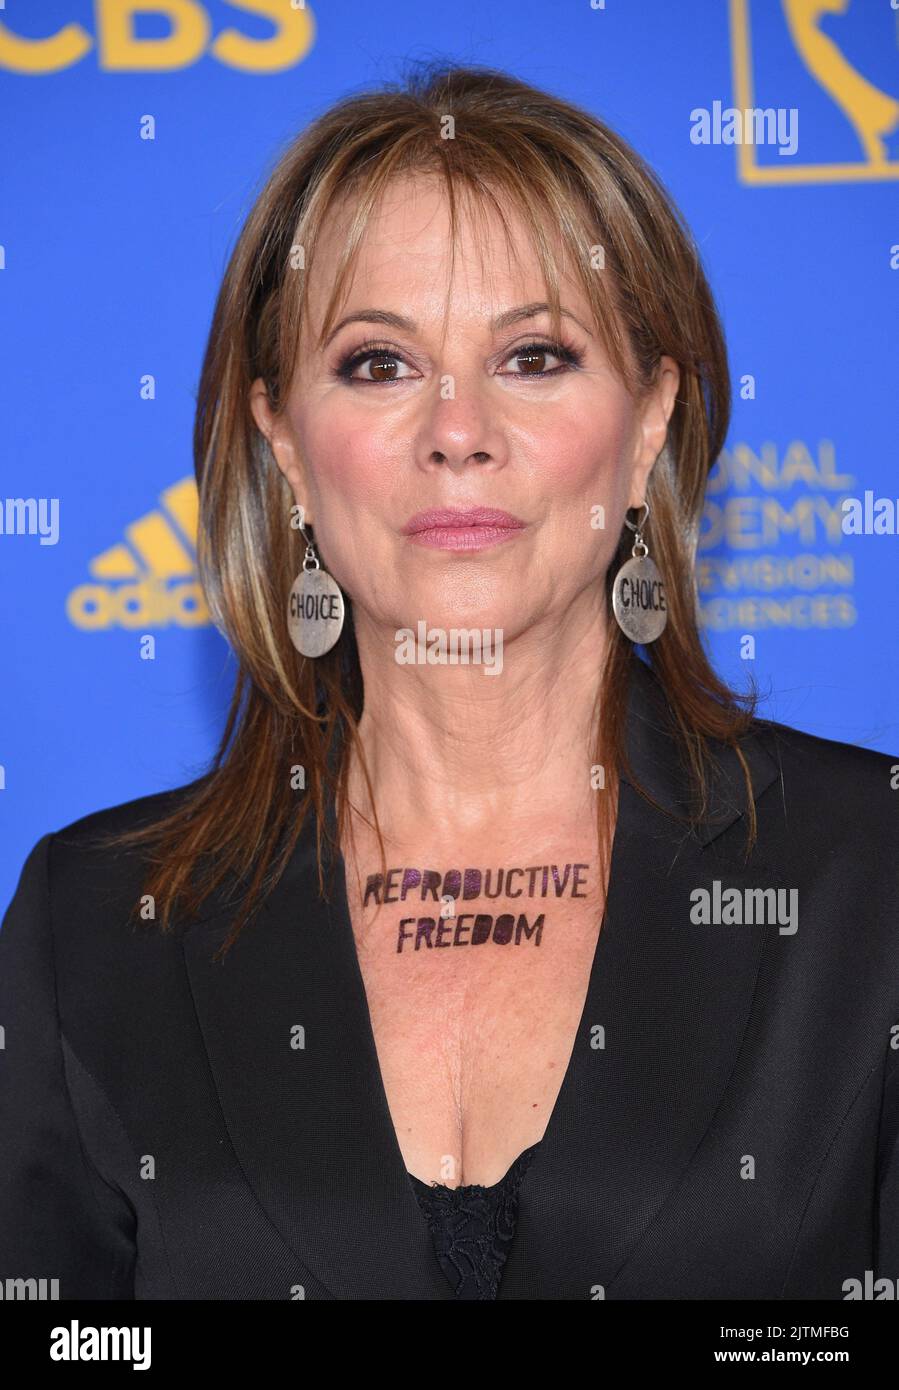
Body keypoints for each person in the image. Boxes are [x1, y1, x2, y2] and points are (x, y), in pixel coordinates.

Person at [1, 63, 897, 1302]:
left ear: (646, 426)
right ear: (283, 447)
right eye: (378, 364)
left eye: (532, 355)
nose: (455, 427)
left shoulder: (867, 876)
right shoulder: (94, 924)